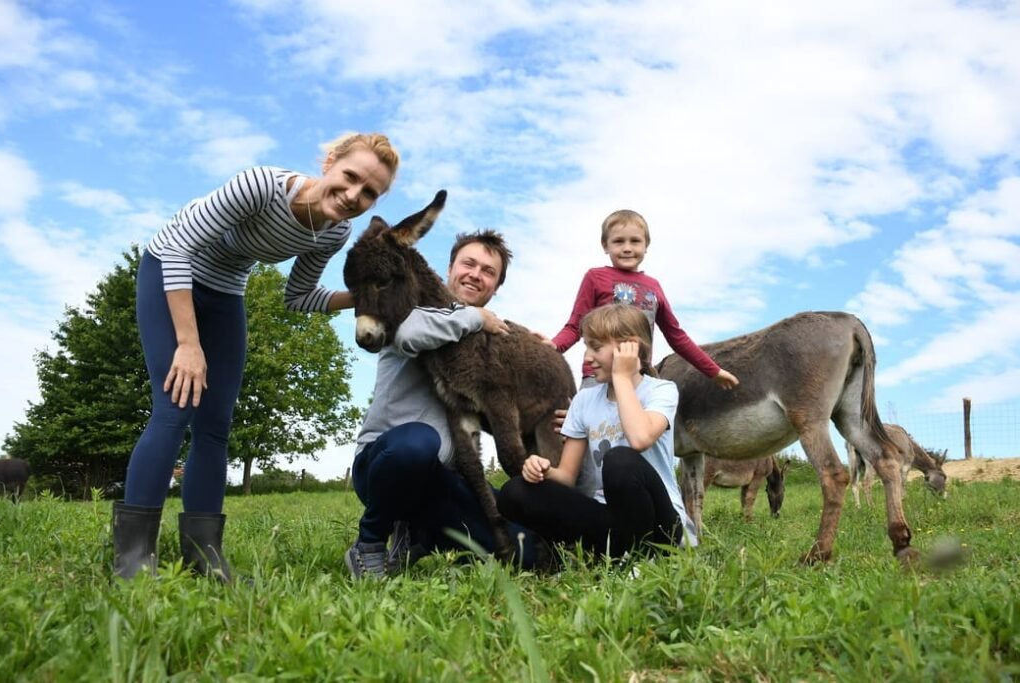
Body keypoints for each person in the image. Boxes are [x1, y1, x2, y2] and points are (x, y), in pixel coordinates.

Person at [113, 133, 399, 581]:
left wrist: (369, 296)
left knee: (215, 425)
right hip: (169, 268)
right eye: (350, 177)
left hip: (227, 291)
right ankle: (133, 560)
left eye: (369, 193)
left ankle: (204, 557)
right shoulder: (260, 186)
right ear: (330, 162)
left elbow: (299, 296)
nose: (353, 196)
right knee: (175, 406)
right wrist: (189, 344)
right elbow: (177, 249)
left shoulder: (334, 230)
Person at [345, 229, 552, 579]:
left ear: (496, 287)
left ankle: (424, 535)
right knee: (419, 442)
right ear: (450, 268)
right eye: (468, 263)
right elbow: (411, 335)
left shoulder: (483, 340)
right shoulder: (407, 309)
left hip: (443, 480)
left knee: (525, 551)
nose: (476, 274)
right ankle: (370, 542)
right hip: (386, 465)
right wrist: (476, 317)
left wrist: (535, 353)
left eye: (489, 271)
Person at [498, 303, 698, 560]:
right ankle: (617, 554)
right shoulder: (584, 401)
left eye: (596, 347)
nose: (587, 357)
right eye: (586, 347)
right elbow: (567, 477)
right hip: (611, 520)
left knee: (619, 460)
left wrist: (623, 378)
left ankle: (644, 557)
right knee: (514, 492)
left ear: (630, 347)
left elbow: (640, 438)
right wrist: (543, 469)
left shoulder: (661, 390)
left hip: (661, 522)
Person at [549, 209, 739, 389]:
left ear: (646, 246)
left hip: (639, 378)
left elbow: (677, 336)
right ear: (605, 245)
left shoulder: (653, 286)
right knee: (591, 423)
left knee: (642, 423)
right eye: (618, 241)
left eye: (635, 241)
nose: (627, 248)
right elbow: (575, 327)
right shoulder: (595, 277)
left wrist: (713, 371)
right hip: (599, 377)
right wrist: (553, 347)